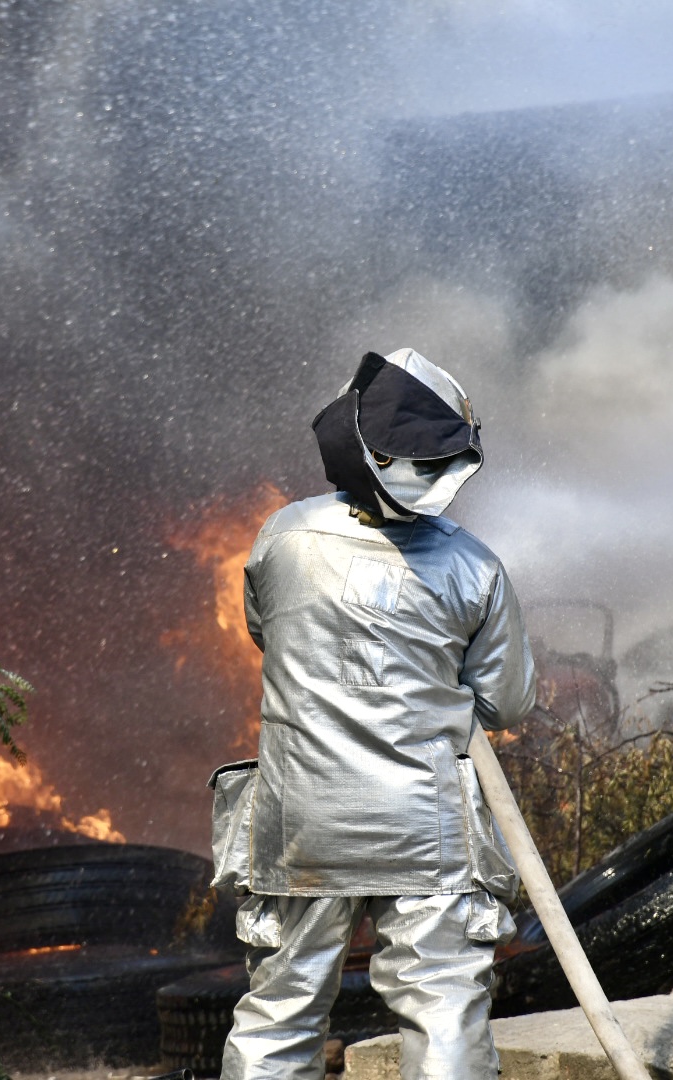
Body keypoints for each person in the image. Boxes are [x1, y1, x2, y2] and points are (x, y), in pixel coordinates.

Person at [208, 348, 536, 1080]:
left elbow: (267, 634)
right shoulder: (474, 566)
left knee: (282, 1009)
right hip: (423, 828)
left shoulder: (281, 537)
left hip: (303, 822)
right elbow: (505, 702)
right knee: (443, 1006)